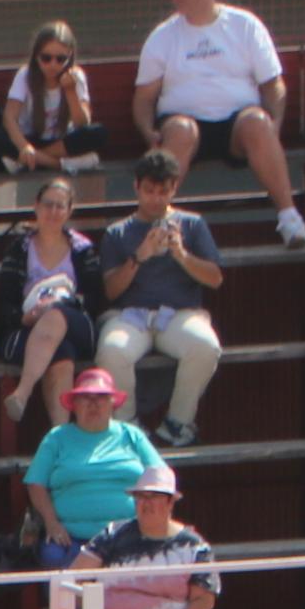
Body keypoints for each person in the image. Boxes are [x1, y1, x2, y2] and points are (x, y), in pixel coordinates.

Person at [136, 0, 305, 247]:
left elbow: (273, 84)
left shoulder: (244, 25)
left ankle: (289, 218)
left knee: (257, 122)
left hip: (237, 126)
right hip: (182, 125)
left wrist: (275, 122)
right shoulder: (163, 36)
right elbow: (143, 99)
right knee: (181, 130)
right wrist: (148, 133)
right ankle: (155, 225)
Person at [93, 152, 225, 450]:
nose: (155, 199)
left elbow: (215, 278)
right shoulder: (117, 232)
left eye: (163, 191)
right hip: (129, 315)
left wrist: (181, 255)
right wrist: (140, 256)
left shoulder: (192, 225)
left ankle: (178, 424)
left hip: (180, 314)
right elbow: (111, 291)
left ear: (174, 188)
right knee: (112, 350)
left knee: (206, 346)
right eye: (149, 191)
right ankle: (127, 428)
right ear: (136, 187)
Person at [24, 366, 163, 577]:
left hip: (128, 533)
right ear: (74, 405)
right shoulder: (57, 437)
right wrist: (52, 523)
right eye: (85, 398)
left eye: (101, 397)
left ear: (112, 403)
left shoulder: (131, 435)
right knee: (53, 556)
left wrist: (148, 522)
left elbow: (161, 478)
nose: (93, 403)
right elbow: (36, 483)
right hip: (70, 536)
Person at [92, 461, 217, 609]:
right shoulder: (112, 534)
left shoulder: (195, 545)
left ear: (170, 502)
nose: (145, 504)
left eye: (155, 497)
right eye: (140, 497)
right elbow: (71, 578)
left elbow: (204, 599)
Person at [0, 175, 96, 434]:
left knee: (55, 314)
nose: (53, 211)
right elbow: (5, 301)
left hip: (75, 322)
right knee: (62, 354)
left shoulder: (83, 249)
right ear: (36, 207)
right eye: (48, 204)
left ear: (69, 210)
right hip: (28, 328)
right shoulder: (19, 249)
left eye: (60, 206)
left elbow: (96, 299)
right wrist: (25, 317)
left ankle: (23, 391)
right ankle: (61, 438)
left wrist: (62, 303)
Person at [0, 22, 108, 189]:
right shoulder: (25, 75)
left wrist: (70, 91)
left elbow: (82, 123)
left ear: (70, 56)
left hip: (61, 144)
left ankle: (29, 162)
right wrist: (25, 147)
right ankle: (59, 163)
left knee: (98, 133)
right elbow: (9, 117)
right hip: (28, 140)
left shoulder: (76, 76)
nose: (53, 65)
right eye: (46, 58)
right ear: (36, 56)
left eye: (60, 59)